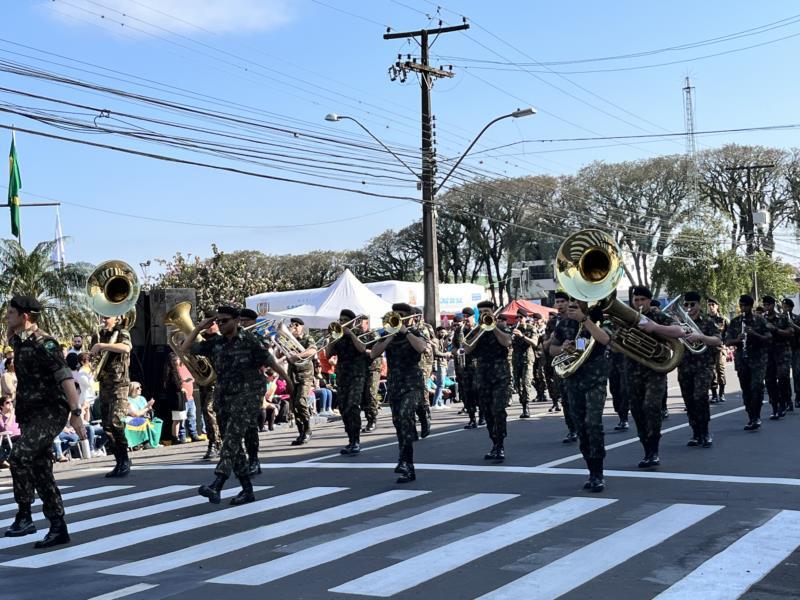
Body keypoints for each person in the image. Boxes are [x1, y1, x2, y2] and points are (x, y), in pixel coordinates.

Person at [183, 306, 286, 505]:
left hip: (247, 395)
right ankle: (247, 490)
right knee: (235, 446)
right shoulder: (216, 343)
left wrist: (288, 381)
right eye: (218, 321)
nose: (220, 325)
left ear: (236, 320)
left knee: (231, 439)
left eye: (224, 321)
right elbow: (186, 348)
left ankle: (217, 483)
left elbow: (270, 362)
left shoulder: (250, 340)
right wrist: (198, 328)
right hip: (224, 397)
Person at [4, 295, 85, 548]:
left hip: (50, 411)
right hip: (29, 412)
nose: (6, 317)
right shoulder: (18, 340)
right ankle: (58, 526)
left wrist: (76, 414)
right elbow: (9, 332)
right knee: (40, 470)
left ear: (25, 316)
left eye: (10, 313)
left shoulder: (45, 343)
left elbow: (65, 378)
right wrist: (12, 325)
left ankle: (25, 515)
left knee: (18, 456)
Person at [549, 299, 612, 492]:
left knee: (593, 423)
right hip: (573, 380)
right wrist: (563, 349)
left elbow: (605, 340)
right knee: (581, 427)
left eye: (576, 301)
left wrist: (584, 320)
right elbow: (551, 349)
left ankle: (599, 473)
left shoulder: (599, 318)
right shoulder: (564, 324)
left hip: (595, 380)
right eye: (570, 301)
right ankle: (591, 470)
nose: (571, 305)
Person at [624, 287, 686, 468]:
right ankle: (646, 449)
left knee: (651, 407)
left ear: (650, 301)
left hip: (654, 371)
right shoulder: (627, 318)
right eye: (636, 300)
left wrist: (655, 327)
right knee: (637, 411)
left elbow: (680, 331)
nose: (639, 303)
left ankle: (654, 451)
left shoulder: (657, 316)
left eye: (643, 300)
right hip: (632, 371)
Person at [370, 303, 429, 483]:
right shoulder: (387, 334)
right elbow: (374, 353)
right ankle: (407, 464)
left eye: (401, 315)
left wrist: (405, 331)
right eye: (396, 315)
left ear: (410, 318)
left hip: (412, 383)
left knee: (404, 417)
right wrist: (389, 336)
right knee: (400, 425)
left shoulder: (417, 333)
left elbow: (421, 348)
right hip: (395, 384)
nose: (398, 317)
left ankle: (404, 460)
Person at [464, 300, 513, 461]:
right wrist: (481, 330)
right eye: (481, 311)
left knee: (498, 410)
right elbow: (467, 349)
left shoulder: (501, 327)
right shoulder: (476, 330)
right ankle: (494, 442)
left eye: (487, 310)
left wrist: (493, 328)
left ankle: (500, 444)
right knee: (487, 411)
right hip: (483, 376)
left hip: (500, 375)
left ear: (493, 313)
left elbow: (507, 342)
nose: (484, 313)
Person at [677, 292, 723, 448]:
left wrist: (701, 337)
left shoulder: (708, 322)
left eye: (692, 304)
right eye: (686, 304)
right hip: (684, 367)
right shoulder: (679, 323)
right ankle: (696, 433)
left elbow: (717, 340)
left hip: (703, 366)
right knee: (689, 401)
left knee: (700, 398)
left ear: (699, 305)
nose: (689, 308)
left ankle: (705, 432)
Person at [90, 312, 132, 478]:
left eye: (106, 317)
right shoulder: (99, 335)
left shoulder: (122, 332)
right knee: (107, 425)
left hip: (119, 383)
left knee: (116, 421)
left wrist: (103, 346)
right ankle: (119, 460)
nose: (103, 320)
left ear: (116, 318)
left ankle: (125, 459)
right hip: (105, 383)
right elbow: (94, 355)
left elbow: (126, 347)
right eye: (102, 317)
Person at [324, 309, 370, 455]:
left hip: (357, 374)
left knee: (352, 406)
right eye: (340, 319)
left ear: (351, 321)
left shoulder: (359, 333)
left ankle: (356, 440)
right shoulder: (338, 335)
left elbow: (363, 349)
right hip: (342, 375)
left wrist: (351, 335)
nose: (341, 322)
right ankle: (350, 439)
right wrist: (332, 338)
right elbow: (328, 354)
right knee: (343, 407)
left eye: (344, 320)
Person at [725, 295, 771, 430]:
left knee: (757, 387)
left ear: (751, 306)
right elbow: (727, 341)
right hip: (742, 359)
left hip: (758, 359)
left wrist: (755, 334)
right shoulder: (735, 322)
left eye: (746, 306)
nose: (743, 308)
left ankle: (756, 416)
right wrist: (738, 339)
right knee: (746, 389)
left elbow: (768, 338)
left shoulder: (760, 320)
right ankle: (751, 416)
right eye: (741, 306)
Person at [544, 292, 574, 439]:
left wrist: (575, 347)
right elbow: (545, 346)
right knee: (565, 399)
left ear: (568, 302)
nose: (560, 304)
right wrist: (556, 343)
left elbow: (584, 339)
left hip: (577, 363)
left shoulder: (576, 318)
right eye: (558, 302)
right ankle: (572, 429)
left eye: (563, 301)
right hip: (560, 364)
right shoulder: (552, 323)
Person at [285, 317, 318, 445]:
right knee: (294, 404)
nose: (294, 327)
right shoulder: (288, 339)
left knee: (300, 401)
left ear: (302, 326)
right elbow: (278, 355)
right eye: (292, 325)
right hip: (292, 374)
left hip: (305, 374)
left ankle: (308, 428)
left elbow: (313, 350)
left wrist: (298, 355)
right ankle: (301, 432)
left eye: (297, 325)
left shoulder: (307, 338)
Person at [761, 295, 793, 419]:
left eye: (768, 305)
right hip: (768, 354)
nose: (766, 307)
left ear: (773, 305)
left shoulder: (782, 317)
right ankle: (775, 406)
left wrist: (775, 329)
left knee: (783, 377)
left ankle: (784, 402)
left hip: (783, 352)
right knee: (769, 381)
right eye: (764, 305)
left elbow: (791, 332)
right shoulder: (761, 319)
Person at [452, 309, 480, 429]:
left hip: (477, 365)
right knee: (466, 393)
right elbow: (453, 347)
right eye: (464, 316)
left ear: (473, 317)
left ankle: (483, 415)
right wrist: (456, 351)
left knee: (478, 391)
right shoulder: (459, 330)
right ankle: (472, 419)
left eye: (467, 316)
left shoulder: (479, 329)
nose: (465, 319)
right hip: (463, 366)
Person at [511, 309, 537, 418]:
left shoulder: (531, 328)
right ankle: (523, 405)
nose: (518, 319)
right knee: (517, 384)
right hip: (516, 359)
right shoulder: (513, 329)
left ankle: (526, 407)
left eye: (520, 317)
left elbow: (534, 343)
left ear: (525, 318)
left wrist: (522, 336)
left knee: (526, 383)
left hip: (527, 359)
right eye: (517, 317)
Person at [706, 298, 729, 404]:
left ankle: (722, 393)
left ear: (717, 306)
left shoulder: (722, 319)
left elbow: (725, 332)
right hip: (708, 349)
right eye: (709, 304)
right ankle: (714, 394)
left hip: (719, 348)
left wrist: (727, 346)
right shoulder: (705, 319)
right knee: (711, 372)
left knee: (720, 370)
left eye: (712, 305)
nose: (711, 306)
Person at [781, 298, 800, 409]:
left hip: (795, 349)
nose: (785, 309)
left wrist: (792, 324)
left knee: (797, 373)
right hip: (783, 350)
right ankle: (788, 400)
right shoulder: (778, 319)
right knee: (784, 375)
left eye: (787, 307)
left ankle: (798, 396)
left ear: (791, 308)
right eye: (783, 307)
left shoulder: (797, 318)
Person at [0, 397, 21, 468]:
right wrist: (12, 414)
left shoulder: (17, 413)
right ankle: (3, 460)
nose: (10, 404)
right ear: (2, 406)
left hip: (19, 437)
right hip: (7, 439)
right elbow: (5, 428)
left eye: (11, 402)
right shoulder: (0, 416)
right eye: (7, 402)